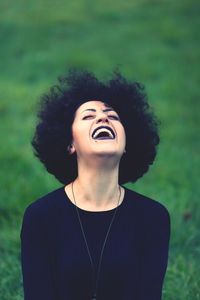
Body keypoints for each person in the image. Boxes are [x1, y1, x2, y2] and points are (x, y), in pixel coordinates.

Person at [20, 70, 171, 300]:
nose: (103, 119)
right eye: (89, 116)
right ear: (70, 143)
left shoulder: (153, 218)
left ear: (127, 143)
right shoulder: (40, 217)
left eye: (113, 116)